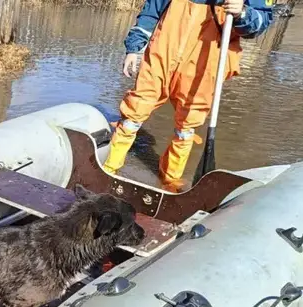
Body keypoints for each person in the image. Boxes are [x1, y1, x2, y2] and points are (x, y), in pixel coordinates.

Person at [102, 0, 274, 190]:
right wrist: (134, 48)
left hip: (205, 60)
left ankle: (170, 180)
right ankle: (108, 168)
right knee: (135, 109)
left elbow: (261, 22)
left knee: (188, 124)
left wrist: (242, 12)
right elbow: (151, 12)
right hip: (163, 54)